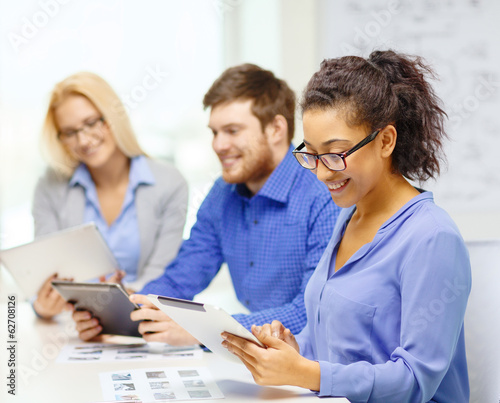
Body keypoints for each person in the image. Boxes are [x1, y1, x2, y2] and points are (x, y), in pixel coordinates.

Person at [221, 50, 471, 403]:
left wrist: (304, 373)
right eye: (311, 153)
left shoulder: (432, 238)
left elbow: (415, 381)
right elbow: (334, 342)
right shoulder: (347, 216)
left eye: (336, 153)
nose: (322, 172)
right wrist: (294, 349)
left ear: (385, 141)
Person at [73, 63, 341, 343]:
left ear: (275, 129)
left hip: (318, 361)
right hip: (266, 361)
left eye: (232, 130)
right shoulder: (223, 193)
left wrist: (203, 330)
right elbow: (182, 276)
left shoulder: (324, 194)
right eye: (215, 132)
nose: (218, 145)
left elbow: (312, 312)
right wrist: (120, 312)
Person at [32, 72, 188, 319]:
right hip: (74, 326)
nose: (83, 140)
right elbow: (44, 272)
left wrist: (120, 301)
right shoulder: (50, 185)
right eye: (70, 132)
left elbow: (162, 274)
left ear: (113, 116)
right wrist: (41, 308)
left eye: (91, 122)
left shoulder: (169, 182)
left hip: (143, 318)